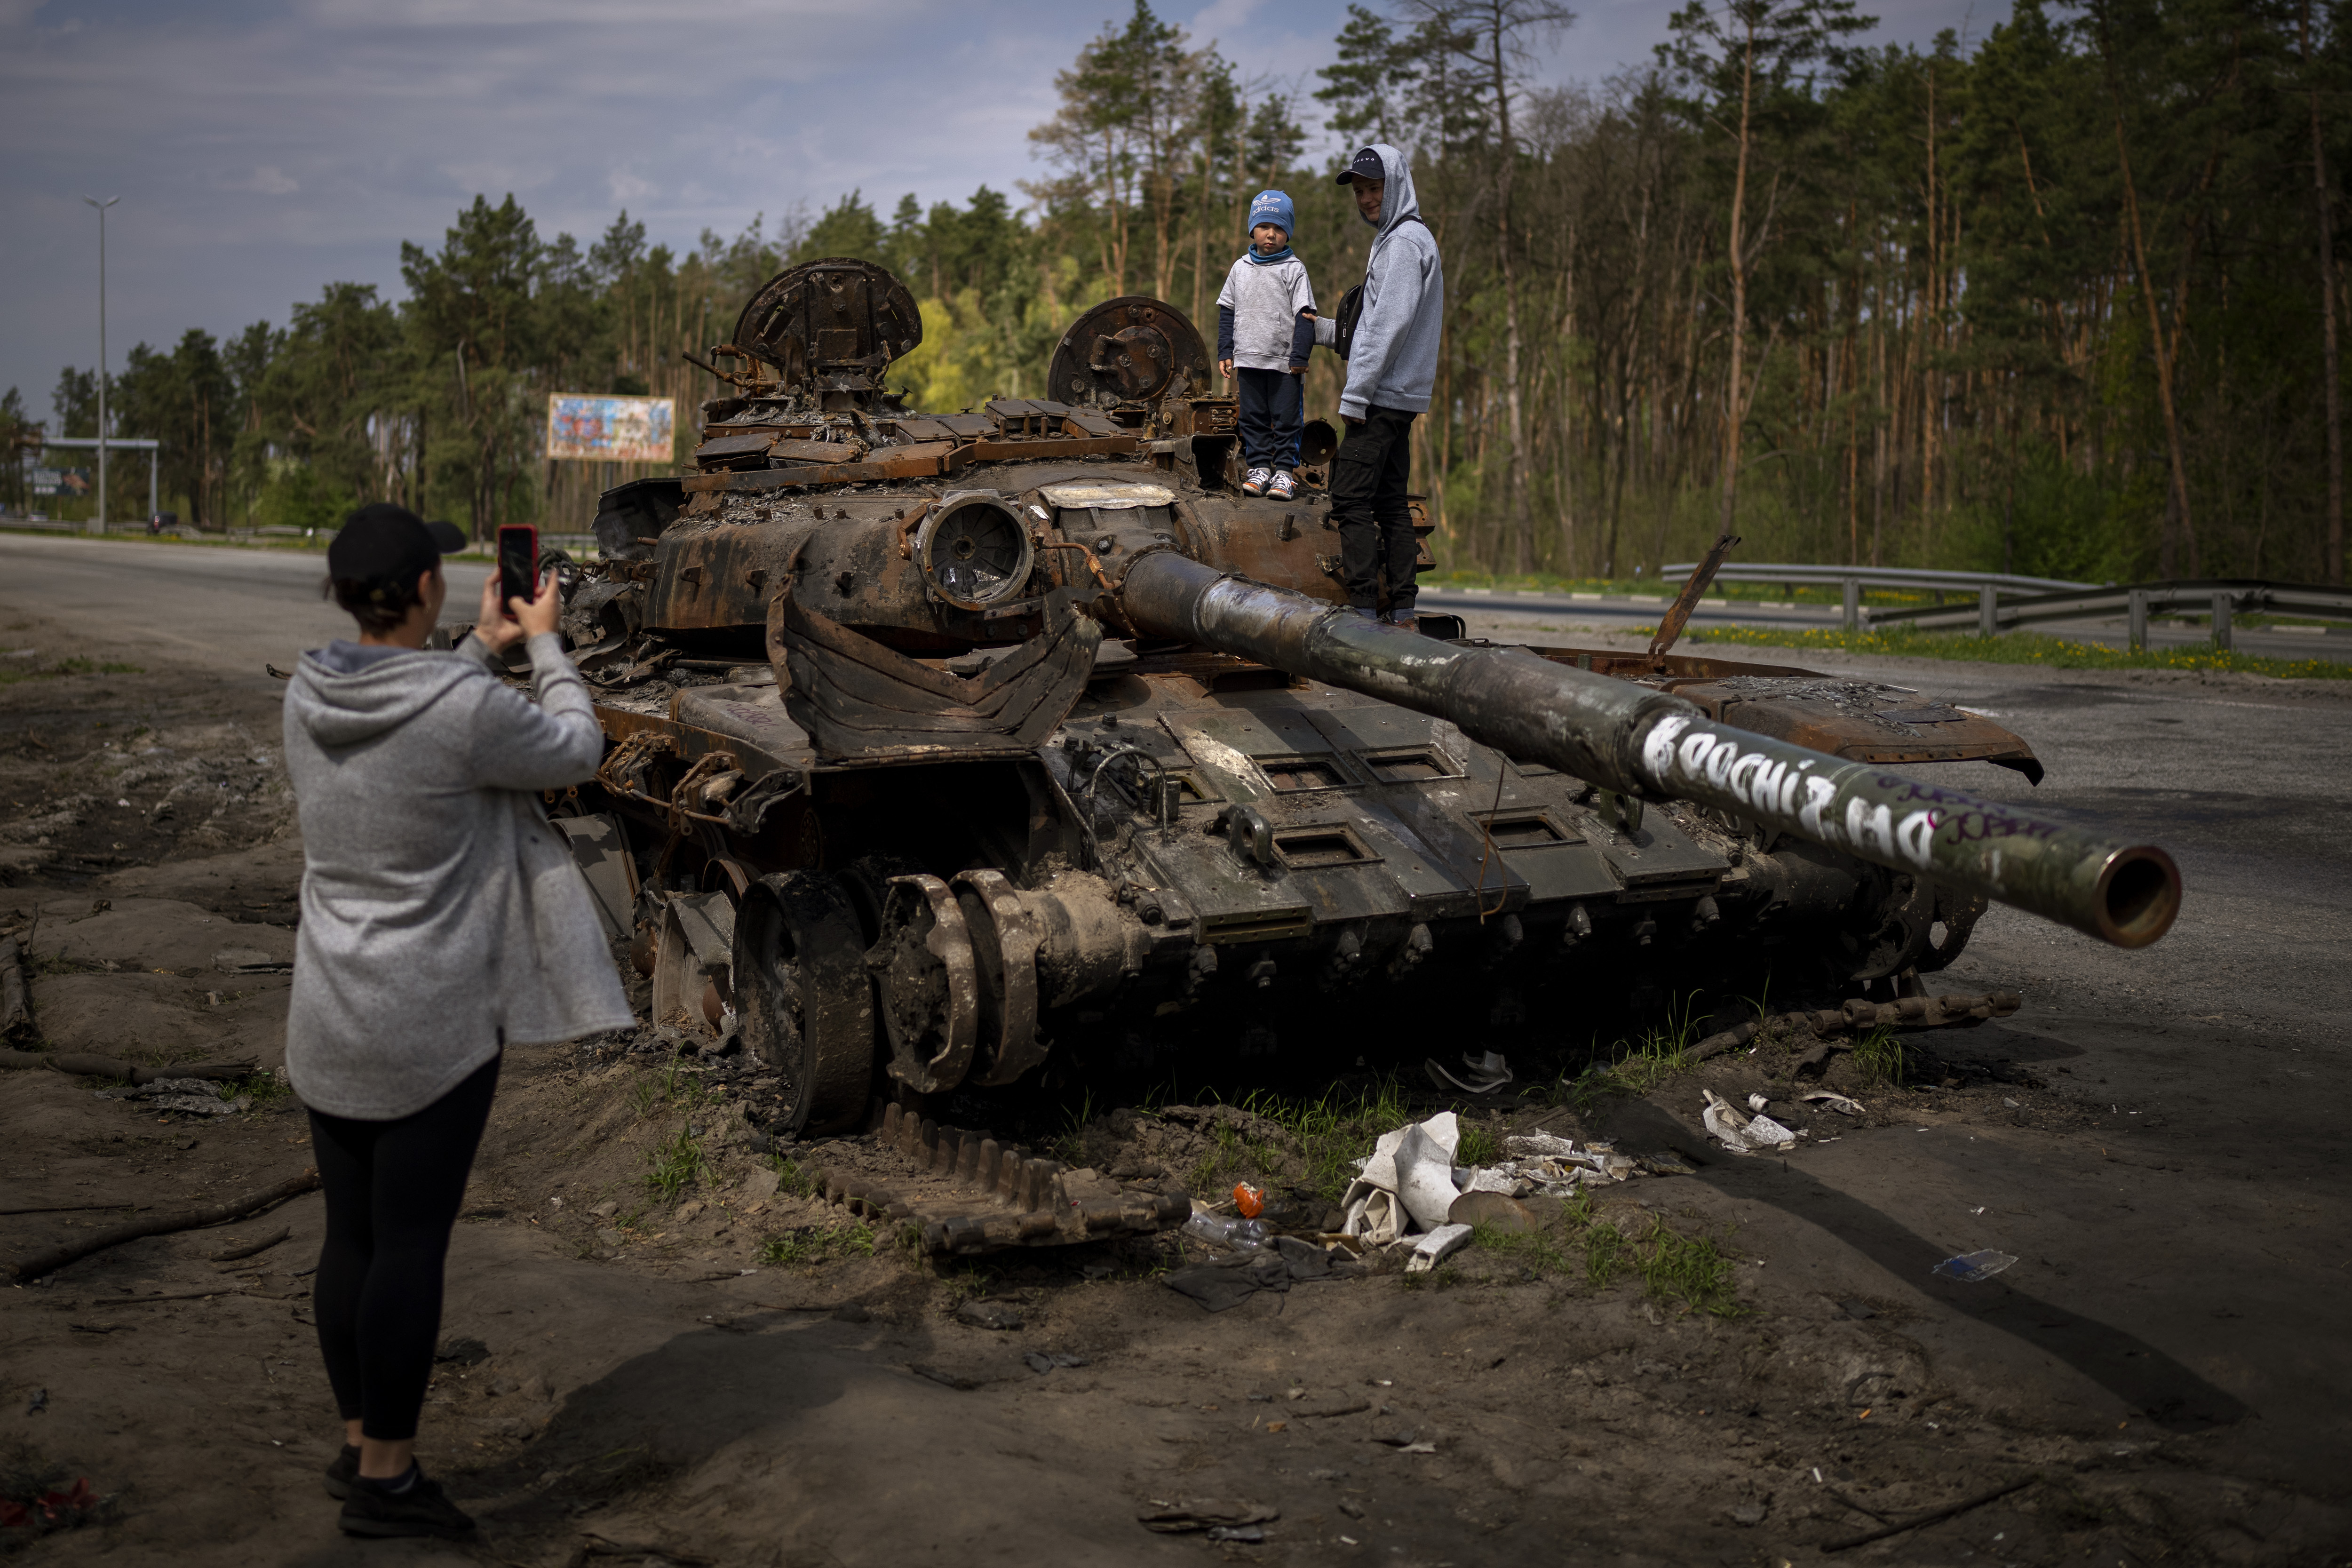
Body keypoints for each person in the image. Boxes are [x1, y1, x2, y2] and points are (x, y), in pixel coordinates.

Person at [282, 502, 631, 1540]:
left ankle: (358, 1437)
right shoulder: (459, 710)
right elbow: (574, 747)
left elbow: (427, 701)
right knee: (410, 1248)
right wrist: (543, 642)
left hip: (329, 1011)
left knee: (349, 1237)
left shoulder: (309, 692)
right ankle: (389, 1482)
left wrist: (479, 647)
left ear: (346, 597)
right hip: (430, 1027)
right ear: (428, 588)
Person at [1314, 143, 1445, 628]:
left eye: (1375, 188)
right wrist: (1321, 329)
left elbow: (1388, 326)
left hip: (1382, 397)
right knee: (1390, 500)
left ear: (1397, 186)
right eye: (1361, 191)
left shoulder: (1404, 244)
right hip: (1395, 395)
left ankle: (1364, 611)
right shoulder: (1401, 240)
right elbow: (1369, 325)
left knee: (1348, 497)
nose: (1367, 199)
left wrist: (1355, 394)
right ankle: (1404, 610)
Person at [1216, 189, 1319, 501]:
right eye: (1264, 227)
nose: (1271, 235)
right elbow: (1227, 311)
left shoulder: (1294, 269)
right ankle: (1260, 468)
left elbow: (1306, 314)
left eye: (1278, 228)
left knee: (1287, 419)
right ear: (1252, 230)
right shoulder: (1240, 268)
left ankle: (1285, 473)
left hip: (1284, 363)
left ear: (1288, 232)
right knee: (1252, 417)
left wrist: (1300, 355)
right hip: (1247, 359)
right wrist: (1225, 351)